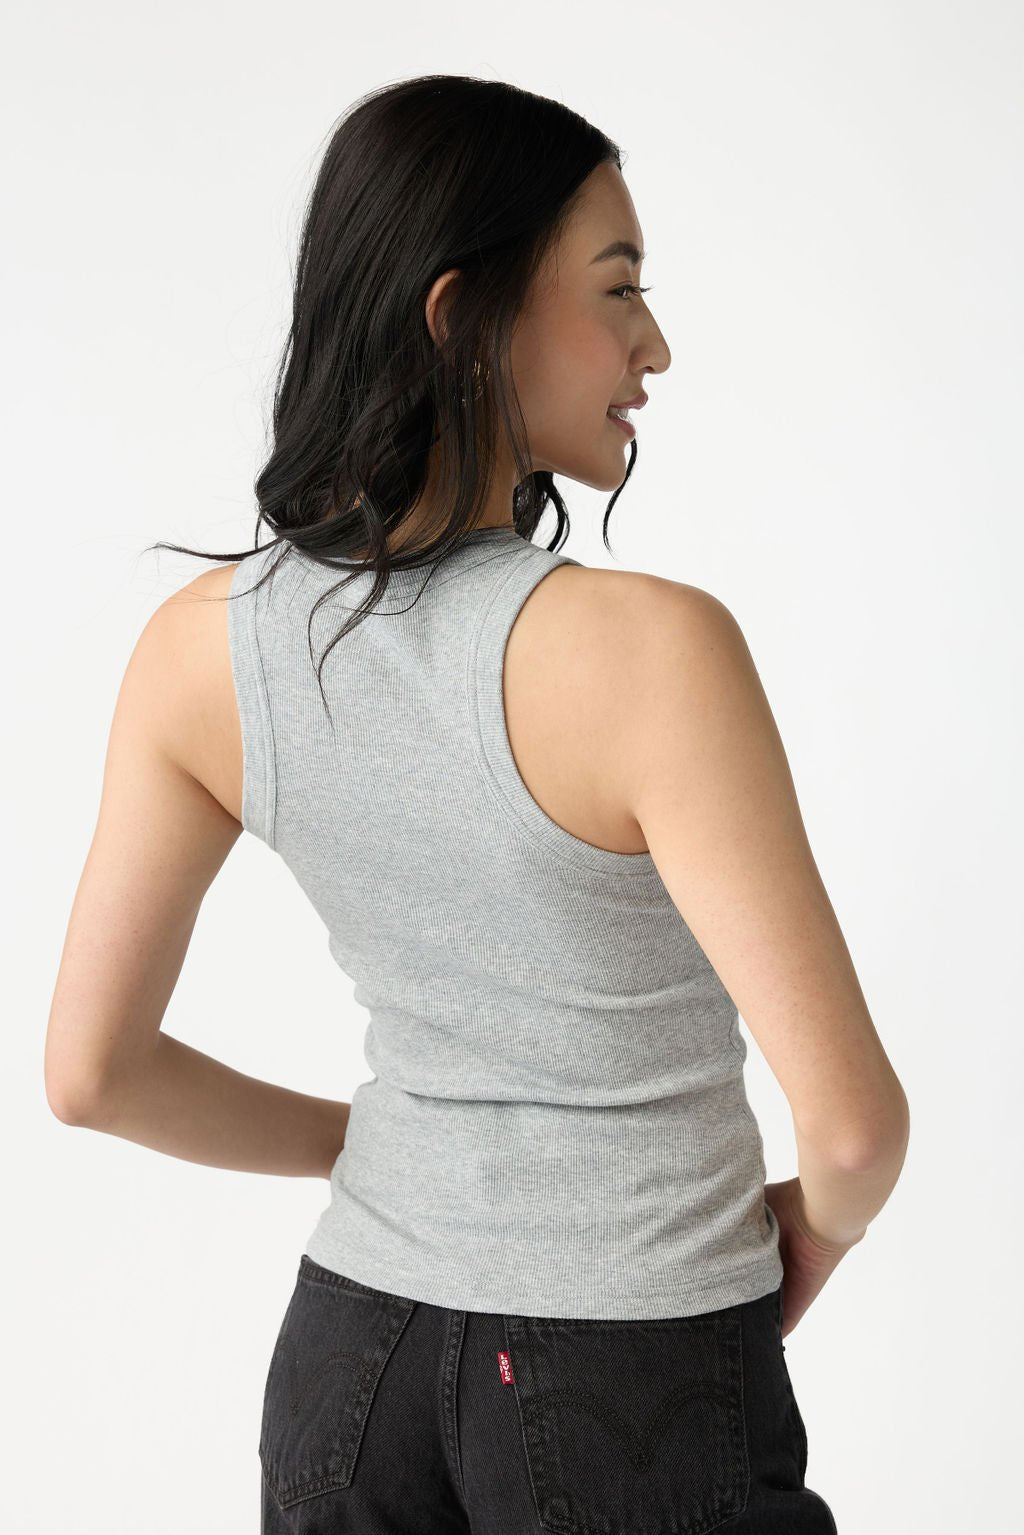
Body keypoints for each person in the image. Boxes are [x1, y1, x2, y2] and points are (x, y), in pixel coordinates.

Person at [44, 75, 909, 1533]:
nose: (657, 345)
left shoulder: (199, 652)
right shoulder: (652, 650)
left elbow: (90, 1075)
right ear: (463, 315)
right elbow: (854, 1133)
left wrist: (381, 1150)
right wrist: (794, 1256)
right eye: (619, 287)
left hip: (348, 1362)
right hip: (632, 1368)